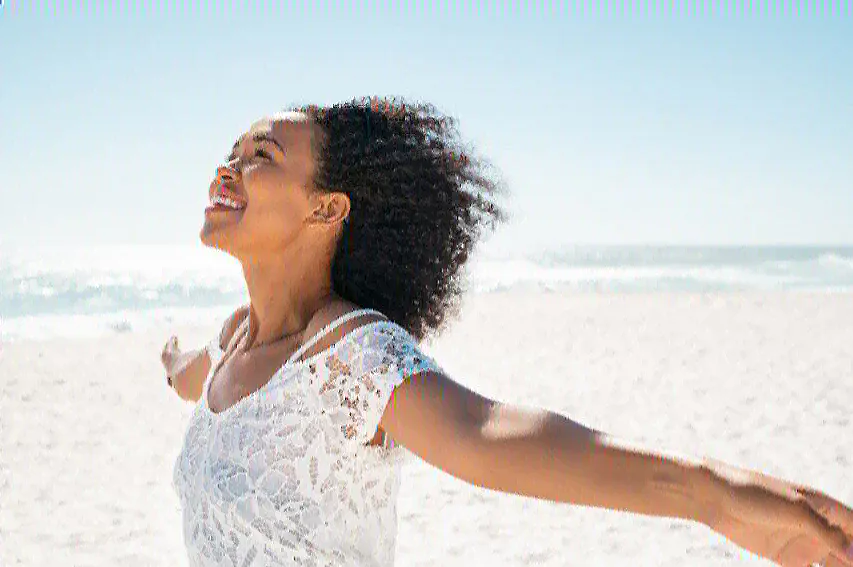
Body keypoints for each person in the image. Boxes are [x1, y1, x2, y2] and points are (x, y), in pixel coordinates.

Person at [161, 97, 853, 567]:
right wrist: (173, 362)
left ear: (326, 207)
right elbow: (197, 378)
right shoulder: (231, 342)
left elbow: (492, 433)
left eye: (262, 154)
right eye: (232, 149)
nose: (229, 164)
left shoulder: (350, 355)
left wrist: (710, 493)